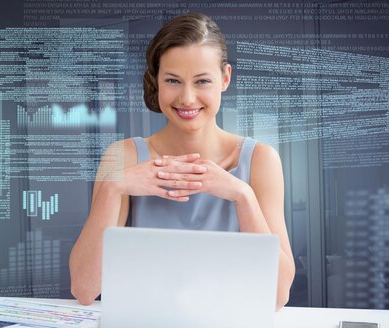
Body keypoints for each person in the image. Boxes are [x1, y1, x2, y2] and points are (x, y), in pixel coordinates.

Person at [69, 12, 295, 310]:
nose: (187, 98)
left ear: (225, 78)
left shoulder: (261, 160)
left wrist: (242, 195)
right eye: (173, 80)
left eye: (202, 81)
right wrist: (114, 188)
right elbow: (85, 289)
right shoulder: (121, 156)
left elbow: (278, 297)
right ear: (157, 81)